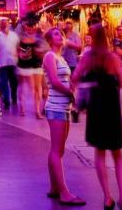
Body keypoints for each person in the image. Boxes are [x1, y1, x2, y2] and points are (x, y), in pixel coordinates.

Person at [73, 24, 122, 210]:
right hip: (111, 108)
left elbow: (75, 77)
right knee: (117, 154)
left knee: (100, 154)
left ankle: (107, 197)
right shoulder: (112, 58)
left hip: (95, 109)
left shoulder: (87, 58)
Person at [40, 27, 84, 206]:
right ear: (50, 40)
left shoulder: (61, 58)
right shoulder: (49, 56)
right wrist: (70, 93)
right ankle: (64, 192)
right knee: (57, 151)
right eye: (56, 34)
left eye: (61, 34)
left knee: (59, 150)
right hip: (56, 106)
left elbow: (68, 79)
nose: (61, 35)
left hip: (64, 106)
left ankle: (53, 187)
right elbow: (55, 81)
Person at [17, 20, 44, 118]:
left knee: (37, 88)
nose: (30, 29)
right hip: (24, 65)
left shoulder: (39, 39)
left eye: (32, 26)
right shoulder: (21, 39)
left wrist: (39, 52)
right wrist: (24, 54)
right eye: (28, 27)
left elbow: (42, 53)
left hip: (36, 64)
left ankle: (37, 111)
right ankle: (22, 108)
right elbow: (19, 54)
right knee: (23, 88)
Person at [0, 20, 19, 115]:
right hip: (2, 63)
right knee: (4, 82)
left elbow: (17, 47)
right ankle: (7, 101)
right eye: (2, 24)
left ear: (8, 25)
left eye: (6, 24)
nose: (4, 26)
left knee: (14, 82)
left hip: (13, 62)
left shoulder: (14, 36)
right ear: (0, 25)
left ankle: (14, 97)